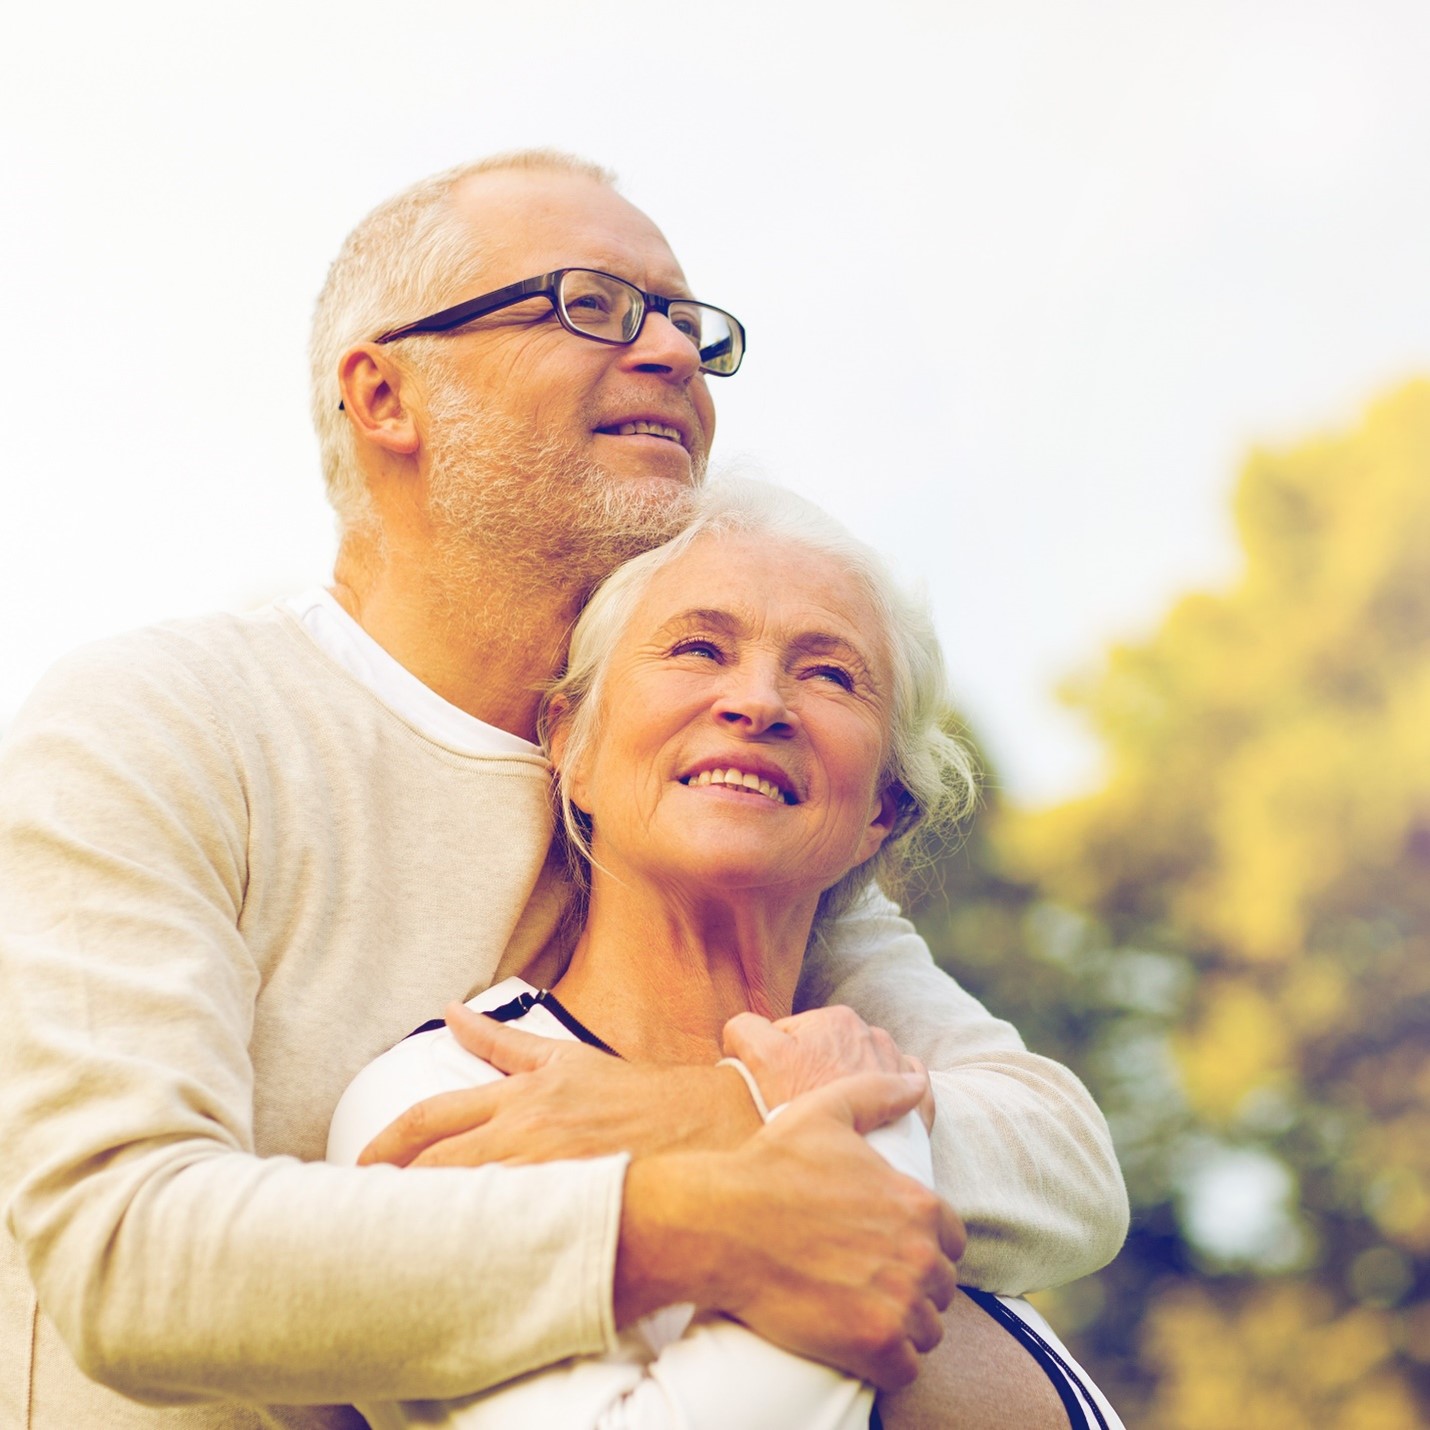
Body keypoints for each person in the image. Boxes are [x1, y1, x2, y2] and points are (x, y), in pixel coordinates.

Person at [0, 150, 1127, 1429]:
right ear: (384, 393)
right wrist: (685, 1216)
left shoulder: (694, 809)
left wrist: (709, 1111)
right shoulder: (163, 720)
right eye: (590, 302)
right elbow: (125, 1253)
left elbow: (1060, 1157)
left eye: (687, 325)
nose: (670, 352)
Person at [329, 478, 1124, 1430]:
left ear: (883, 812)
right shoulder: (454, 1088)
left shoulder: (892, 1085)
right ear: (571, 743)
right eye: (698, 648)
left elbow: (1076, 1178)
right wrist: (845, 1134)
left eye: (830, 675)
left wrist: (773, 1112)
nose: (758, 701)